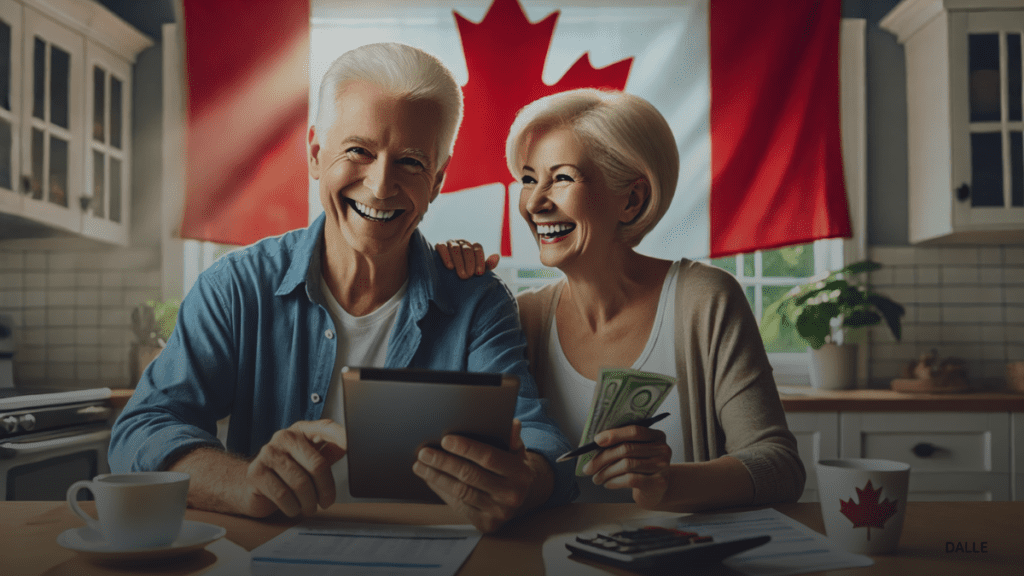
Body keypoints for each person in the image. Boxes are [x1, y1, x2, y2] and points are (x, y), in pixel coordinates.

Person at [110, 43, 577, 534]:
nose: (379, 186)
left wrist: (527, 482)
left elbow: (543, 441)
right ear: (315, 154)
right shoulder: (236, 288)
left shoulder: (476, 301)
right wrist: (245, 482)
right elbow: (142, 430)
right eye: (359, 151)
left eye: (411, 163)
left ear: (437, 181)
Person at [438, 88, 805, 511]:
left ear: (631, 200)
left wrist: (669, 484)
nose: (534, 202)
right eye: (527, 178)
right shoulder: (523, 317)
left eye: (561, 178)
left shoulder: (704, 300)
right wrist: (452, 283)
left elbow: (781, 468)